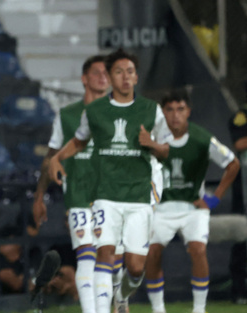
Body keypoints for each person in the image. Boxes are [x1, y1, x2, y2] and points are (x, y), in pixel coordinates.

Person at [48, 49, 173, 313]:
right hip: (104, 194)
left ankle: (123, 295)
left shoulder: (152, 110)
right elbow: (80, 141)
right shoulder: (94, 111)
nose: (125, 77)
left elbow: (167, 149)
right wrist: (57, 158)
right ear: (111, 78)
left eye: (130, 72)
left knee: (136, 267)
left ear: (136, 77)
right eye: (118, 72)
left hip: (139, 195)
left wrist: (152, 144)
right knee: (104, 254)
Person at [145, 89, 240, 313]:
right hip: (161, 207)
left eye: (180, 109)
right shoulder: (153, 138)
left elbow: (233, 163)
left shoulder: (201, 138)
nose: (175, 115)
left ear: (188, 111)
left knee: (198, 250)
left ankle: (199, 309)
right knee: (152, 252)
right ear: (163, 112)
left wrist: (215, 199)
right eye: (169, 109)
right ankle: (158, 309)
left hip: (192, 208)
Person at [32, 55, 109, 313]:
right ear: (84, 79)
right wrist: (39, 196)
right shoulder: (67, 116)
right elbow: (50, 157)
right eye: (98, 72)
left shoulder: (120, 113)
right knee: (87, 257)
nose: (104, 77)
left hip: (114, 197)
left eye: (107, 73)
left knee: (113, 263)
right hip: (78, 197)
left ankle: (117, 305)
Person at [228, 101, 247, 305]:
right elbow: (239, 144)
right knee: (242, 239)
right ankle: (238, 290)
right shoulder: (240, 117)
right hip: (243, 192)